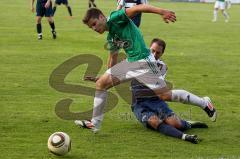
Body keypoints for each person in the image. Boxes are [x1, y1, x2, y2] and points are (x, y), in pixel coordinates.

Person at [76, 5, 216, 133]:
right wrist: (105, 77)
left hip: (144, 61)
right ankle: (95, 123)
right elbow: (112, 59)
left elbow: (138, 8)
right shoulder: (111, 36)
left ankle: (205, 103)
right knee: (100, 84)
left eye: (94, 24)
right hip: (130, 63)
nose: (94, 28)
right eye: (91, 27)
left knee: (164, 95)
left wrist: (162, 12)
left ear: (101, 17)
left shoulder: (115, 17)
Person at [76, 38, 209, 144]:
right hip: (139, 105)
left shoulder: (162, 67)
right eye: (152, 51)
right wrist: (101, 80)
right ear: (148, 49)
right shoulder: (138, 61)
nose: (154, 54)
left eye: (158, 52)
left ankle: (187, 123)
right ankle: (185, 137)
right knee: (155, 121)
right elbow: (119, 76)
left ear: (162, 54)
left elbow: (152, 84)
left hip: (156, 102)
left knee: (175, 123)